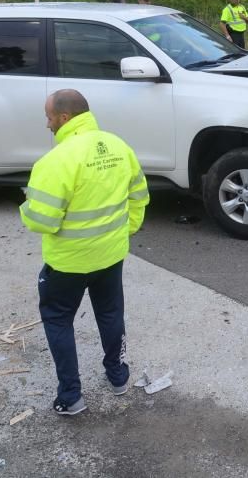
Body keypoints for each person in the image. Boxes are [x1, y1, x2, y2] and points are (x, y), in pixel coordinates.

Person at [20, 89, 149, 415]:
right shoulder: (120, 147)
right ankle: (118, 376)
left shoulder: (55, 161)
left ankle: (71, 396)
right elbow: (139, 195)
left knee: (58, 320)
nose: (47, 124)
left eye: (49, 117)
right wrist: (126, 230)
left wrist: (25, 207)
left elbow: (41, 221)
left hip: (67, 263)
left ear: (64, 117)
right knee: (110, 313)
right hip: (110, 255)